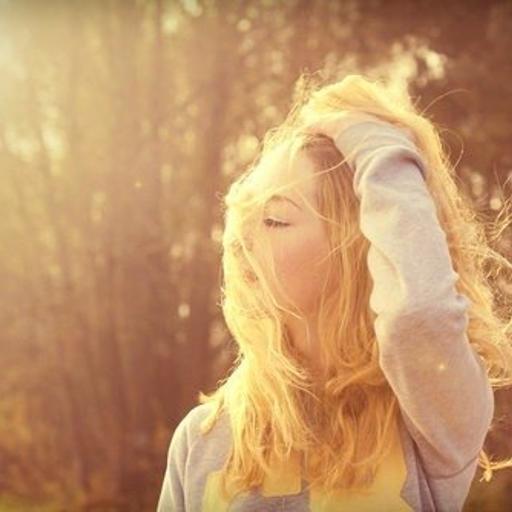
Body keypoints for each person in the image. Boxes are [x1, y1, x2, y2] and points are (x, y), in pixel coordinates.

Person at [156, 74, 512, 512]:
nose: (240, 239)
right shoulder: (200, 439)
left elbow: (418, 314)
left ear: (357, 246)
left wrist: (368, 137)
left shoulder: (429, 416)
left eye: (274, 220)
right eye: (244, 216)